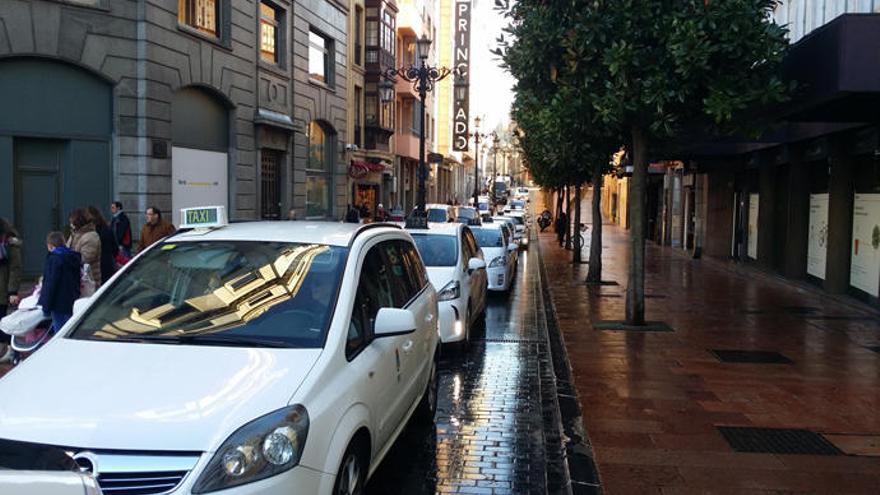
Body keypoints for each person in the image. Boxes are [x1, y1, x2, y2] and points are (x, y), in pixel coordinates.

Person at [38, 231, 81, 333]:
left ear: (50, 246)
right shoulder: (73, 257)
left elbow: (50, 284)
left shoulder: (54, 259)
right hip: (71, 298)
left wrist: (46, 305)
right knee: (71, 329)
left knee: (59, 330)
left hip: (57, 302)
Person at [0, 218, 22, 363]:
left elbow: (15, 269)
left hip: (3, 289)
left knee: (3, 321)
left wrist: (12, 291)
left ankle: (10, 349)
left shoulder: (9, 245)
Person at [67, 208, 101, 287]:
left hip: (88, 282)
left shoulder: (91, 237)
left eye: (72, 222)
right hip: (76, 280)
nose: (70, 224)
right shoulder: (75, 234)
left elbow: (84, 259)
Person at [86, 206, 118, 285]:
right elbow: (115, 248)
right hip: (108, 264)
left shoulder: (91, 232)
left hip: (96, 268)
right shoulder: (107, 228)